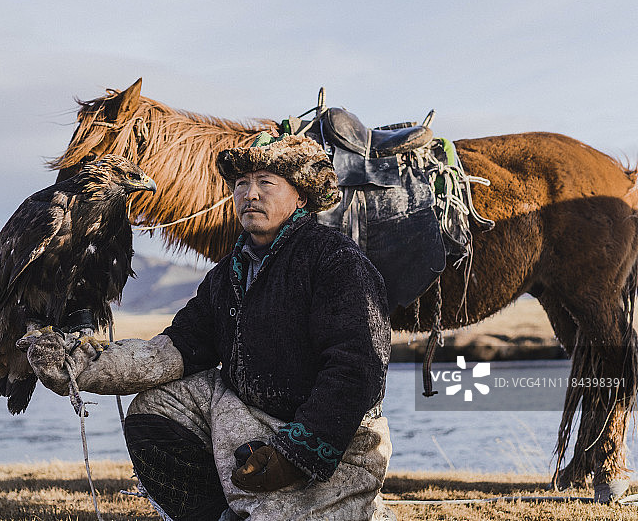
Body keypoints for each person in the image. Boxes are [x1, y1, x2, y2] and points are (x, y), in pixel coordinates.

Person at [26, 135, 394, 520]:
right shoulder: (228, 275)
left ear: (300, 196)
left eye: (266, 182)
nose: (250, 194)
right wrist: (84, 364)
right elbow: (177, 348)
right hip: (245, 423)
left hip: (334, 446)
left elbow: (357, 369)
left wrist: (295, 456)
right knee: (156, 407)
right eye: (241, 184)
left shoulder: (337, 262)